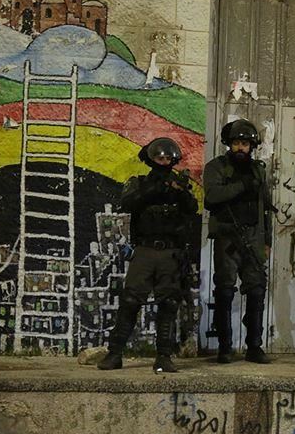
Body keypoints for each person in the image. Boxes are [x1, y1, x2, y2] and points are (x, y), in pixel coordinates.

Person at [98, 137, 197, 373]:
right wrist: (154, 189)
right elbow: (128, 203)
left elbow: (191, 209)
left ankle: (164, 356)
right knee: (130, 301)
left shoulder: (179, 185)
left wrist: (180, 192)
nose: (163, 161)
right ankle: (115, 353)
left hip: (171, 252)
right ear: (151, 160)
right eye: (159, 158)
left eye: (167, 158)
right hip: (144, 250)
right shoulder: (139, 183)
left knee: (169, 304)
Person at [203, 119, 275, 364]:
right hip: (227, 237)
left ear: (251, 146)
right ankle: (225, 347)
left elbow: (265, 207)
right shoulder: (217, 167)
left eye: (245, 144)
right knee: (224, 291)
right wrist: (242, 185)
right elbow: (212, 196)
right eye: (236, 143)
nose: (240, 148)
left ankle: (254, 346)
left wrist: (267, 240)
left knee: (256, 290)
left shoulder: (257, 170)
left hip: (253, 237)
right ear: (229, 144)